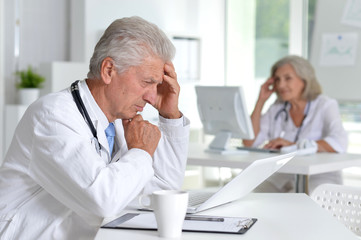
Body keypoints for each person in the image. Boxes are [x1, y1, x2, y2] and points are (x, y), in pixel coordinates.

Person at [0, 16, 190, 239]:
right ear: (108, 70)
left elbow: (164, 187)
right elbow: (104, 200)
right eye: (147, 82)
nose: (151, 97)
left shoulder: (118, 120)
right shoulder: (52, 116)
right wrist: (140, 151)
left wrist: (170, 116)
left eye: (157, 85)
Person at [243, 55, 347, 193]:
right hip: (285, 174)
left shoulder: (325, 105)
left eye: (288, 78)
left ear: (304, 80)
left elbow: (339, 142)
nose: (280, 85)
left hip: (318, 177)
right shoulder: (278, 107)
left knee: (295, 205)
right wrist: (261, 101)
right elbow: (250, 141)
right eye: (277, 79)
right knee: (249, 194)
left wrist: (294, 146)